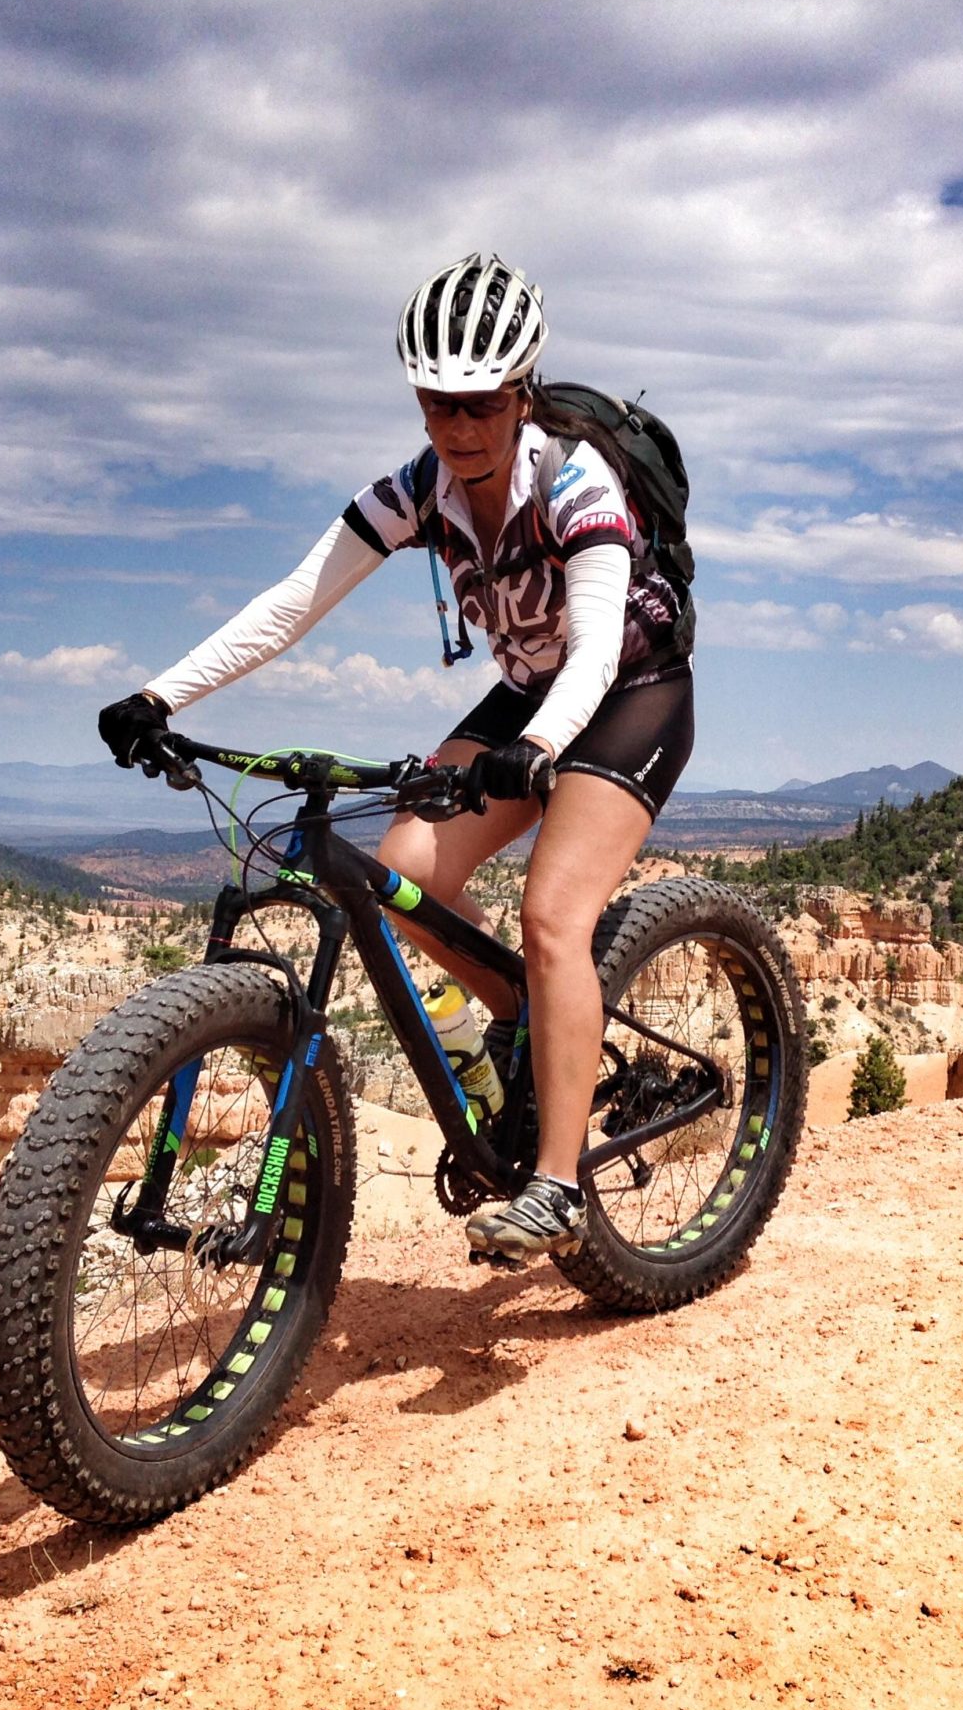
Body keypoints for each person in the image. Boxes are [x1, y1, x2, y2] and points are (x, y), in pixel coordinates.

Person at [98, 251, 694, 1261]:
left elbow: (595, 644)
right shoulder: (422, 487)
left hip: (629, 694)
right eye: (435, 403)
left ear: (521, 393)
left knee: (552, 914)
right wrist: (162, 692)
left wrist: (542, 746)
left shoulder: (576, 479)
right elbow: (295, 600)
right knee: (406, 869)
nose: (457, 427)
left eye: (478, 403)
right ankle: (540, 1033)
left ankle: (555, 1185)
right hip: (529, 697)